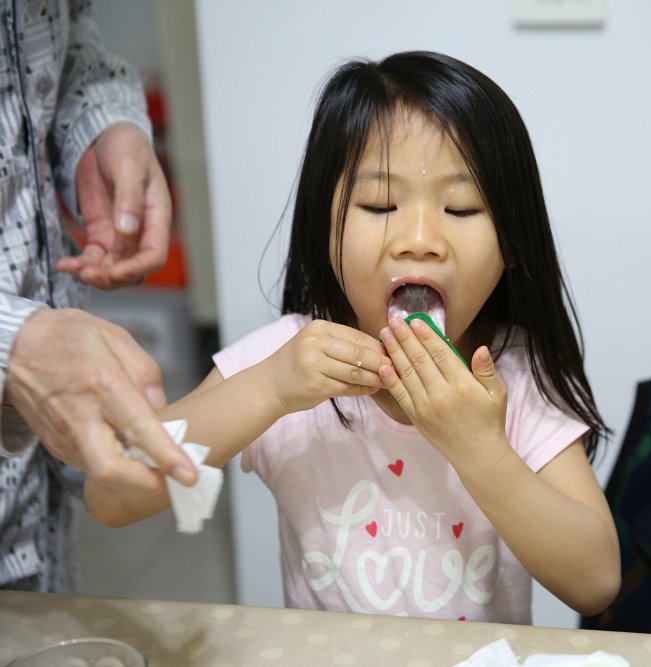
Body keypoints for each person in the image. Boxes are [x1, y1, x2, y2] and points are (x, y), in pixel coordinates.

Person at [86, 50, 621, 622]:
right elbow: (111, 497)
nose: (420, 239)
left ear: (512, 243)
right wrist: (269, 389)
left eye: (462, 209)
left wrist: (480, 447)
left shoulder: (514, 373)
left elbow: (596, 582)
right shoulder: (284, 361)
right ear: (326, 228)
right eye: (380, 204)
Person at [0, 0, 197, 593]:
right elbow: (119, 502)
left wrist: (101, 121)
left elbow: (61, 36)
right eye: (381, 204)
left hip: (34, 516)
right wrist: (14, 344)